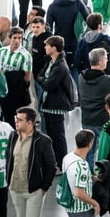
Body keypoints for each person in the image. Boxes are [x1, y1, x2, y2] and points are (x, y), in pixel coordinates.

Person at [6, 106, 56, 217]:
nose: (16, 122)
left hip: (34, 189)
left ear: (30, 122)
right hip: (15, 188)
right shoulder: (13, 136)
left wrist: (44, 187)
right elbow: (10, 160)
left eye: (20, 120)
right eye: (16, 119)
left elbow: (51, 166)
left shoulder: (42, 141)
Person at [38, 35, 73, 169]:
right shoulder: (51, 62)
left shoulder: (60, 66)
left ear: (54, 48)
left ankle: (61, 163)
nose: (45, 48)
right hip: (48, 104)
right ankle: (55, 161)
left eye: (47, 46)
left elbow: (48, 85)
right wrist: (44, 81)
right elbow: (40, 76)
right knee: (52, 134)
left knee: (58, 136)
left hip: (55, 105)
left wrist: (44, 81)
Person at [0, 27, 33, 128]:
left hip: (16, 91)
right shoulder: (2, 51)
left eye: (19, 38)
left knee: (17, 118)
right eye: (15, 38)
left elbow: (27, 76)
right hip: (3, 89)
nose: (17, 41)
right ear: (10, 38)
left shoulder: (26, 55)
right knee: (5, 115)